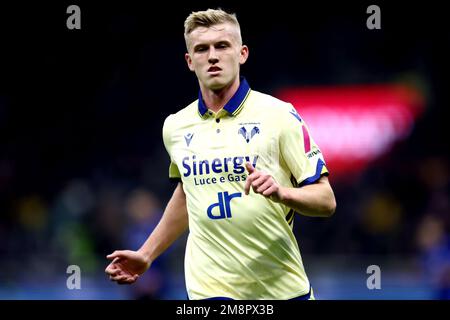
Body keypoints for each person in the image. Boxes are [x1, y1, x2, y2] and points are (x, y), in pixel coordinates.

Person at [105, 8, 336, 300]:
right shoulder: (175, 127)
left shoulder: (280, 116)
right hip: (209, 290)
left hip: (282, 288)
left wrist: (283, 193)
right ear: (190, 61)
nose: (212, 56)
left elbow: (326, 200)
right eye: (202, 49)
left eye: (222, 46)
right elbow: (188, 192)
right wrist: (146, 254)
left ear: (242, 54)